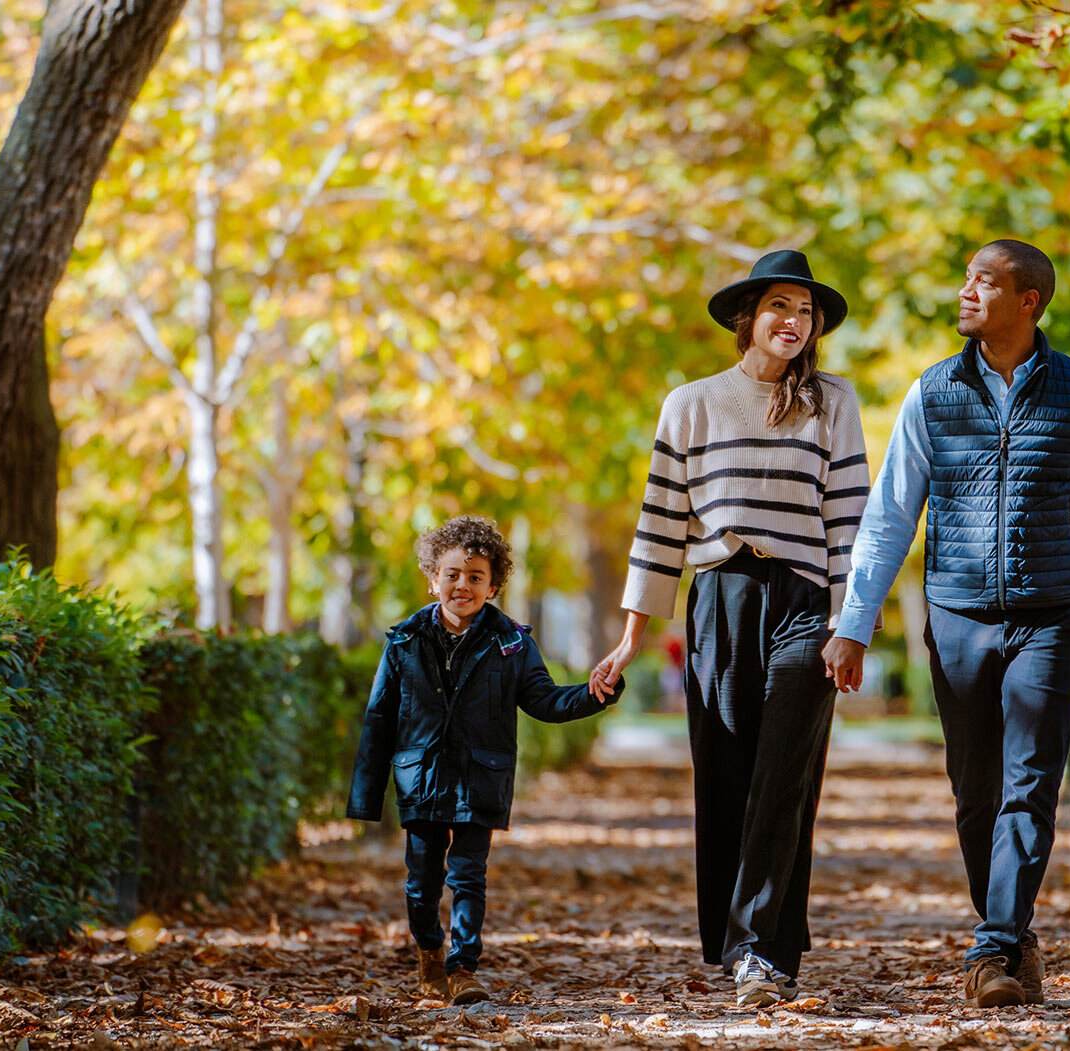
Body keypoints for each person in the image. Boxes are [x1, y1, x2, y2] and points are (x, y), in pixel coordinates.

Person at [821, 239, 1070, 1008]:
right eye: (967, 277)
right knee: (975, 791)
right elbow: (890, 516)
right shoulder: (932, 392)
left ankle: (993, 946)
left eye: (983, 281)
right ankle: (1010, 930)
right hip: (959, 615)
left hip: (1052, 617)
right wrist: (855, 622)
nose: (965, 291)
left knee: (1029, 785)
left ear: (1027, 301)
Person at [589, 249, 868, 1009]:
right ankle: (737, 938)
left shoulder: (834, 403)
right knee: (726, 773)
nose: (794, 321)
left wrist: (853, 622)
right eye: (781, 306)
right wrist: (631, 634)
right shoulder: (690, 403)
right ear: (749, 317)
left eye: (806, 312)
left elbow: (850, 521)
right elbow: (659, 525)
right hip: (719, 597)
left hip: (807, 602)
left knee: (784, 773)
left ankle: (761, 952)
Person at [347, 515, 619, 1005]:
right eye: (452, 574)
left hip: (481, 780)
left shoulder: (512, 643)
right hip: (421, 780)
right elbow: (379, 720)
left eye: (475, 577)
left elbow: (545, 701)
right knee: (421, 884)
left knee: (468, 874)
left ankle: (463, 966)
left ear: (493, 585)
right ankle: (430, 948)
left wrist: (595, 695)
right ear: (433, 579)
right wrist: (366, 801)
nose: (462, 585)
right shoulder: (404, 642)